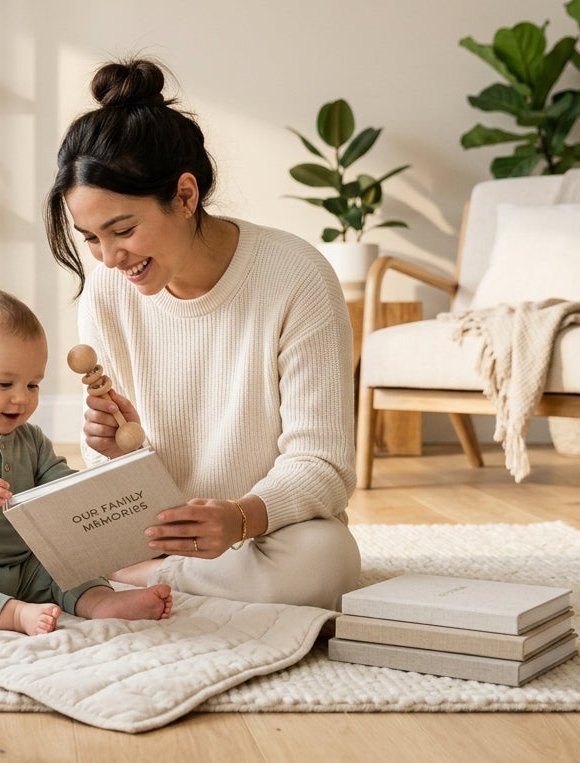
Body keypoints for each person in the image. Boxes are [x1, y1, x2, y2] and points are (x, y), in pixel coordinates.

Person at [43, 58, 361, 611]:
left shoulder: (296, 277)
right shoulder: (106, 294)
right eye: (91, 238)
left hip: (267, 529)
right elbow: (114, 490)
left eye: (123, 230)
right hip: (156, 534)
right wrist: (113, 449)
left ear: (185, 196)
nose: (110, 258)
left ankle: (142, 578)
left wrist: (240, 518)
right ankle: (170, 575)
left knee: (327, 563)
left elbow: (324, 464)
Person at [0, 288, 174, 635]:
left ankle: (100, 601)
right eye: (5, 383)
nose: (21, 398)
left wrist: (105, 480)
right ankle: (10, 614)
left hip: (22, 563)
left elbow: (62, 488)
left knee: (68, 561)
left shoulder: (32, 439)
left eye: (34, 385)